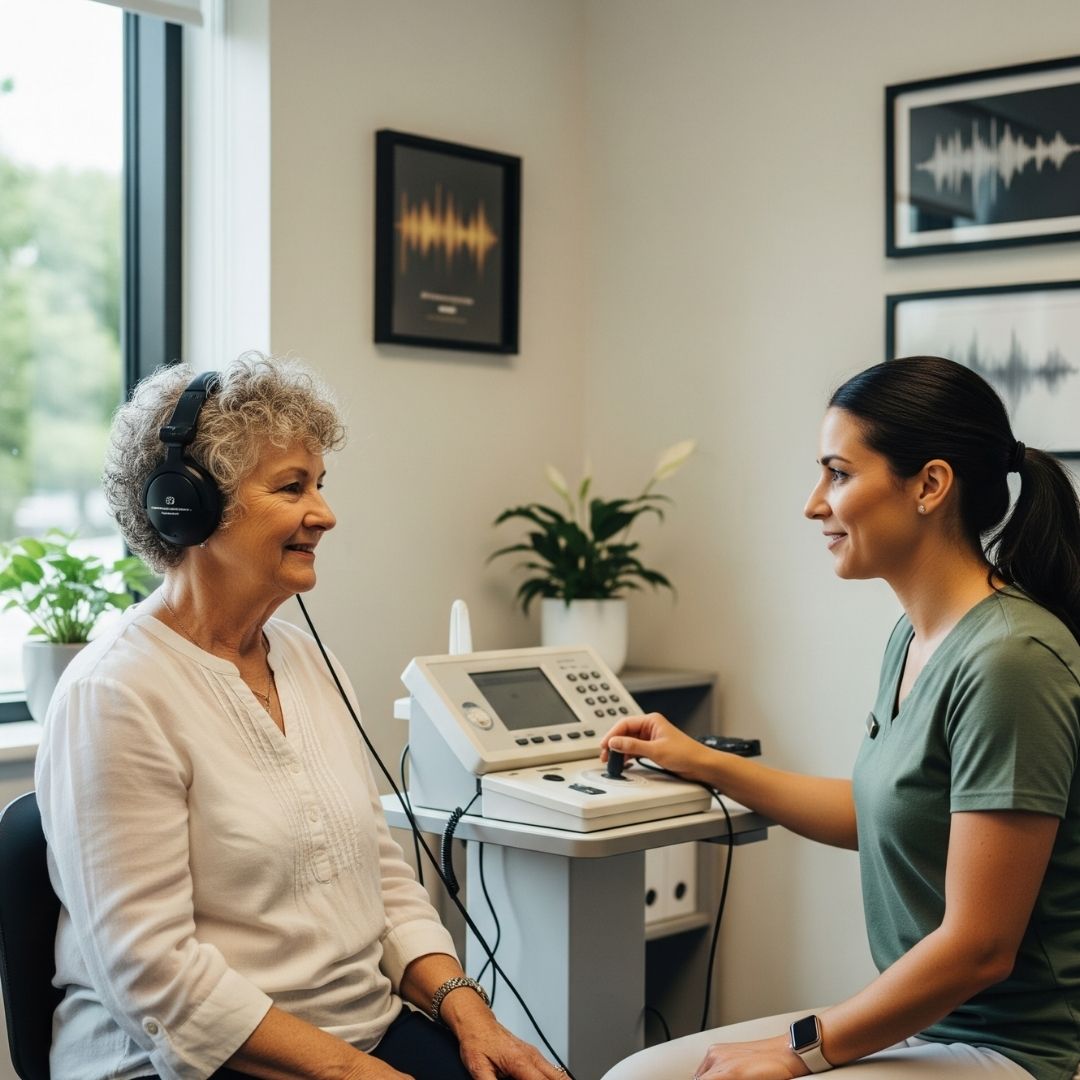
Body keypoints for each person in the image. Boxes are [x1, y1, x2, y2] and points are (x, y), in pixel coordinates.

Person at [35, 354, 565, 1080]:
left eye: (320, 484)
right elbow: (152, 974)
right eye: (293, 487)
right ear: (188, 506)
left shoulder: (307, 661)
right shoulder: (115, 695)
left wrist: (470, 1014)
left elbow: (379, 876)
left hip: (357, 1036)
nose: (325, 512)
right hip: (187, 1063)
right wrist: (358, 1074)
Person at [601, 355, 1080, 1080]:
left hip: (1019, 1050)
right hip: (927, 1025)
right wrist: (699, 759)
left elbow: (980, 947)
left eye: (839, 473)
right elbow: (878, 813)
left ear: (930, 485)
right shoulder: (917, 640)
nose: (814, 503)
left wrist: (802, 1048)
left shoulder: (1010, 659)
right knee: (636, 1076)